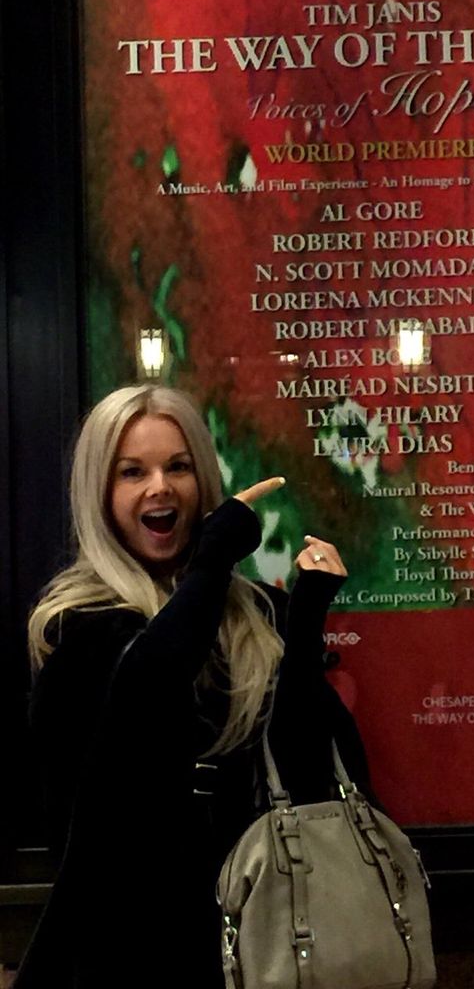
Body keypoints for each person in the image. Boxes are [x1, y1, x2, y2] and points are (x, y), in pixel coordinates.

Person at [16, 385, 364, 989]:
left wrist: (305, 618)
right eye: (132, 472)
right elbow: (148, 694)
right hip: (133, 950)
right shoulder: (78, 627)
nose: (161, 488)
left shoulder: (258, 615)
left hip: (268, 939)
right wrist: (213, 561)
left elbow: (309, 762)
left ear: (203, 481)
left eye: (178, 467)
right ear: (100, 493)